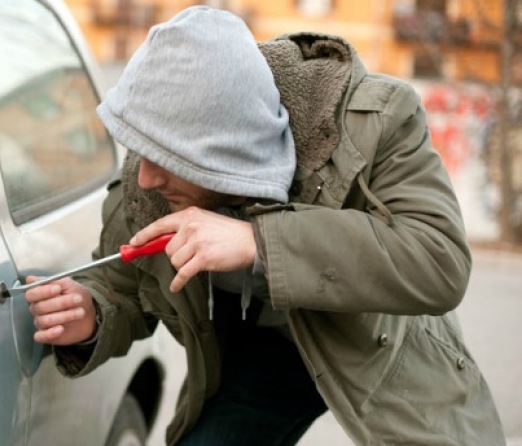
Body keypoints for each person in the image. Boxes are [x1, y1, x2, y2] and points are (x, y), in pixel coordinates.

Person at [25, 6, 505, 446]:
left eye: (167, 160)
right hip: (263, 359)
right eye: (141, 151)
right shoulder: (149, 178)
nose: (146, 176)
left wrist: (259, 242)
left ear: (224, 151)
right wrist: (92, 312)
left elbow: (438, 260)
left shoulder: (375, 121)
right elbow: (125, 284)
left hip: (381, 345)